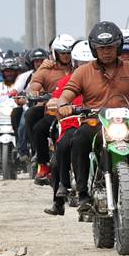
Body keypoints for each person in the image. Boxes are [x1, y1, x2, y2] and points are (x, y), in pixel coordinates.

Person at [55, 21, 129, 212]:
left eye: (111, 47)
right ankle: (83, 194)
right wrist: (64, 105)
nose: (106, 51)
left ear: (119, 47)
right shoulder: (83, 71)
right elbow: (67, 93)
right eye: (102, 48)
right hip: (95, 122)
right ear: (94, 49)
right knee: (79, 139)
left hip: (126, 122)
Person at [43, 40, 95, 215]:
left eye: (88, 63)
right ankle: (61, 194)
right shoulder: (69, 81)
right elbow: (56, 99)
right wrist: (56, 104)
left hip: (96, 124)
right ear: (74, 63)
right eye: (81, 63)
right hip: (72, 123)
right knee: (63, 146)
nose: (84, 67)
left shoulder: (103, 80)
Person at [27, 34, 75, 184]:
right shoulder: (46, 69)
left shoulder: (80, 69)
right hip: (54, 112)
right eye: (63, 53)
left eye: (68, 53)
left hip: (78, 111)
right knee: (39, 128)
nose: (66, 56)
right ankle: (43, 165)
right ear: (56, 53)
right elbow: (34, 84)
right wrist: (34, 91)